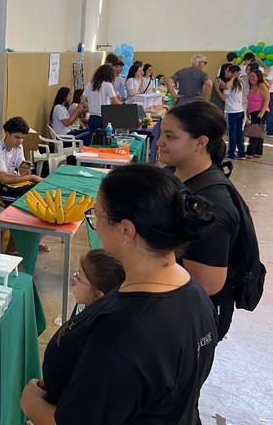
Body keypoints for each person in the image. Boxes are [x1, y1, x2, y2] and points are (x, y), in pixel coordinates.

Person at [21, 164, 217, 424]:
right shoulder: (194, 294)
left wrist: (31, 404)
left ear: (126, 229)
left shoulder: (123, 335)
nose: (94, 223)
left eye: (97, 215)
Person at [158, 100, 240, 338]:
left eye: (170, 136)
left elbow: (206, 284)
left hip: (190, 317)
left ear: (200, 143)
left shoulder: (214, 205)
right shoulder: (171, 175)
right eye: (162, 133)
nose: (160, 142)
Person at [0, 116, 43, 206]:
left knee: (36, 193)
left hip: (6, 186)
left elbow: (22, 172)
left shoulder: (18, 147)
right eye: (17, 137)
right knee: (25, 202)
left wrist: (26, 169)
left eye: (22, 138)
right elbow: (4, 179)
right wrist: (32, 177)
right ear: (7, 134)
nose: (20, 141)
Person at [81, 64, 121, 131]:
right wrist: (124, 107)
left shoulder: (89, 84)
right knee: (105, 136)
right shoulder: (107, 85)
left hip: (92, 117)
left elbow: (82, 100)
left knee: (93, 136)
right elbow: (115, 101)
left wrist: (89, 106)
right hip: (103, 117)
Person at [222, 65, 246, 160]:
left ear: (233, 74)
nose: (225, 73)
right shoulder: (239, 83)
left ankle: (231, 153)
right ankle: (241, 152)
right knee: (239, 132)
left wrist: (217, 88)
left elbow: (224, 97)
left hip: (232, 112)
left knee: (232, 133)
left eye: (228, 71)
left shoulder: (230, 84)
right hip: (240, 111)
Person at [245, 69, 270, 157]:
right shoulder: (251, 86)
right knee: (258, 132)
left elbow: (267, 99)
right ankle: (257, 152)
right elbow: (250, 100)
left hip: (260, 111)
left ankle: (250, 152)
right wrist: (247, 111)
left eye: (254, 76)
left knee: (254, 132)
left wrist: (261, 112)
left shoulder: (261, 86)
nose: (251, 78)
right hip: (253, 111)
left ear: (258, 77)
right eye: (250, 76)